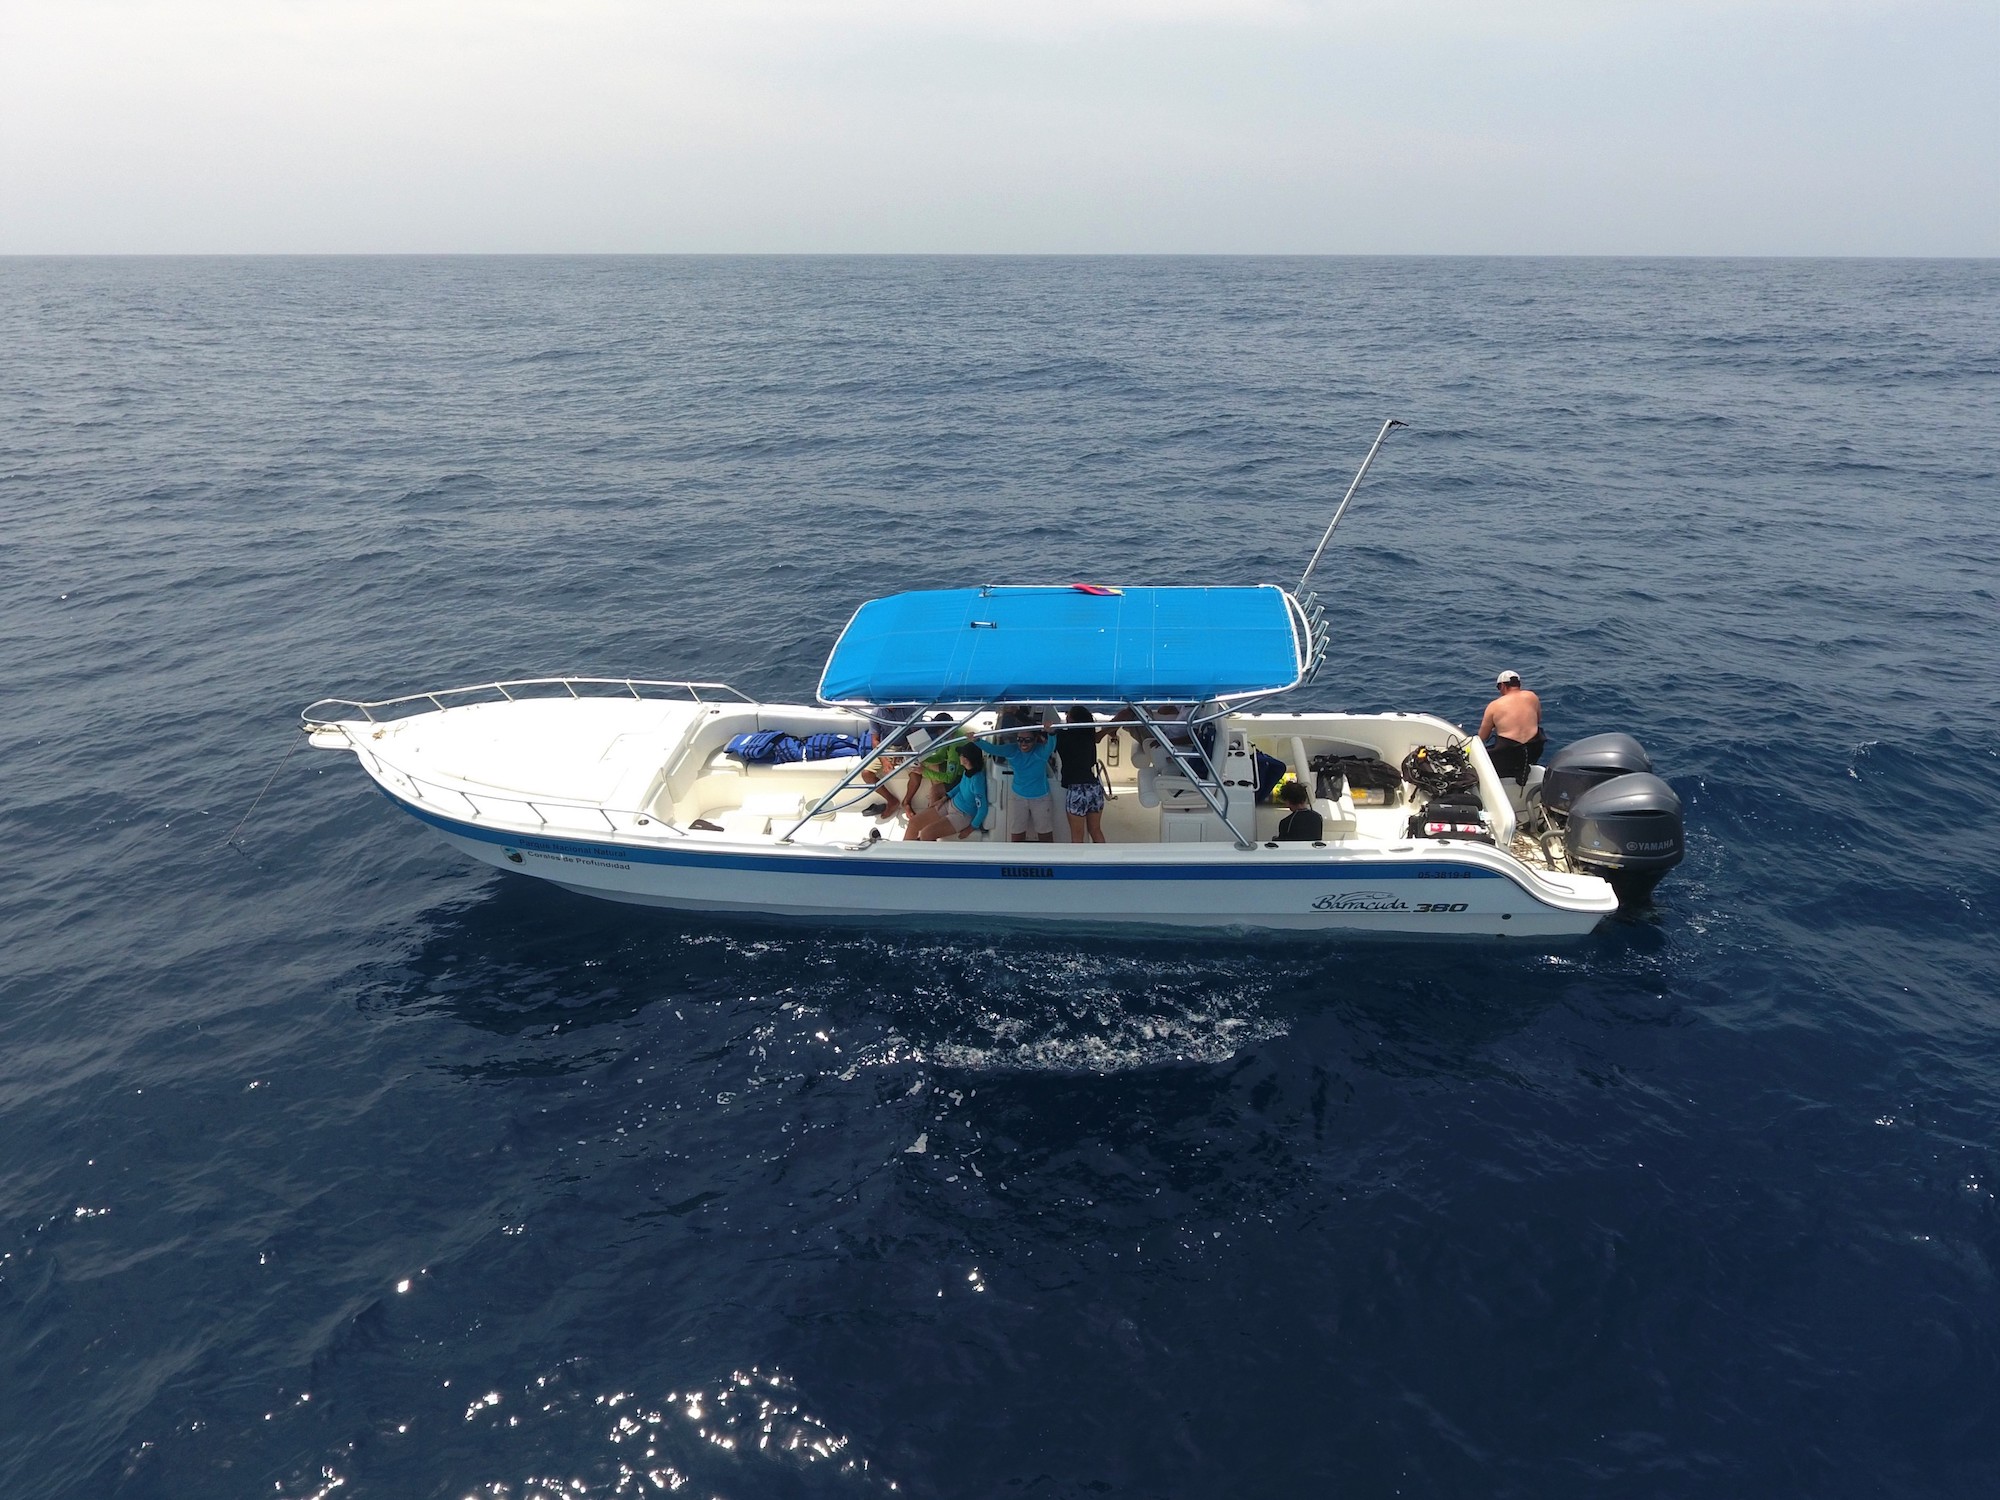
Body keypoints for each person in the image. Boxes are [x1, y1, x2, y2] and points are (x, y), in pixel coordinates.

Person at [978, 725, 1059, 843]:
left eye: (1028, 740)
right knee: (1016, 834)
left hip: (1041, 798)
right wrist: (976, 740)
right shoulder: (1012, 750)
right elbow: (992, 749)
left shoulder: (1041, 751)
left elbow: (1051, 746)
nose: (1023, 743)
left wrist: (1051, 733)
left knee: (1045, 835)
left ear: (1035, 740)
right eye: (1020, 740)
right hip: (1018, 797)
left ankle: (1047, 860)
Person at [1478, 669, 1546, 783]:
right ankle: (1521, 770)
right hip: (1534, 750)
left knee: (1481, 760)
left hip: (1508, 754)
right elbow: (1538, 720)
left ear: (1503, 686)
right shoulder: (1532, 697)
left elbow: (1482, 737)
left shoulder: (1494, 706)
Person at [1056, 705, 1111, 844]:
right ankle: (1104, 862)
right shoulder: (1090, 735)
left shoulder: (1062, 736)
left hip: (1076, 790)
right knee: (1096, 830)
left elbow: (1042, 734)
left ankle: (1078, 864)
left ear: (1071, 719)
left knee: (1077, 836)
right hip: (1094, 788)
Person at [910, 742, 987, 840]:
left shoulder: (977, 781)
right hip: (951, 803)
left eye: (961, 755)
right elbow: (960, 786)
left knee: (926, 834)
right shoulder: (967, 771)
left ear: (966, 760)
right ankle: (900, 853)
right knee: (914, 822)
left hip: (962, 815)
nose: (959, 756)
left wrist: (971, 828)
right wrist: (945, 798)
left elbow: (982, 809)